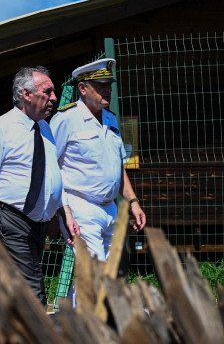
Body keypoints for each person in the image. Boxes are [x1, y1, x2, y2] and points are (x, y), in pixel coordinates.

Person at [49, 58, 146, 304]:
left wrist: (133, 201)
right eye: (101, 84)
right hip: (80, 204)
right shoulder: (65, 119)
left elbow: (118, 166)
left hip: (110, 208)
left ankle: (73, 322)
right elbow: (52, 167)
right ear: (83, 88)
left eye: (109, 84)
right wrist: (62, 210)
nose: (108, 90)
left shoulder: (111, 119)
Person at [0, 66, 63, 305]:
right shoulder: (2, 128)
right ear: (26, 94)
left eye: (54, 92)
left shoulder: (45, 128)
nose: (54, 98)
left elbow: (51, 173)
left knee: (17, 287)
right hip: (11, 219)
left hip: (38, 224)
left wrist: (55, 213)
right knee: (32, 289)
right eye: (47, 92)